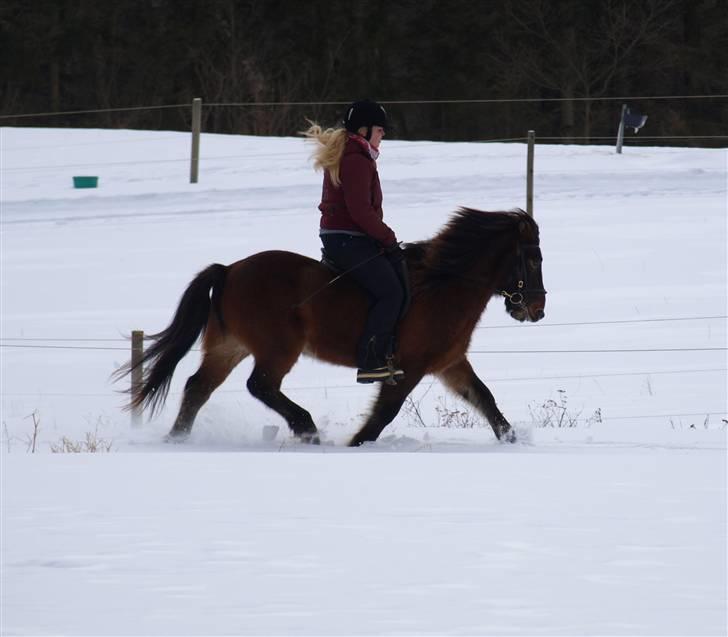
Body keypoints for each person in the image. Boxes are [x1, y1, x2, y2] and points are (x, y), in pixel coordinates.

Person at [302, 99, 407, 384]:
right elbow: (361, 211)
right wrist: (389, 239)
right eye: (380, 129)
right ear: (364, 130)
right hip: (350, 239)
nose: (383, 134)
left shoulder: (353, 153)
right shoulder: (356, 159)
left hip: (346, 237)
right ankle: (371, 360)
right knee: (391, 293)